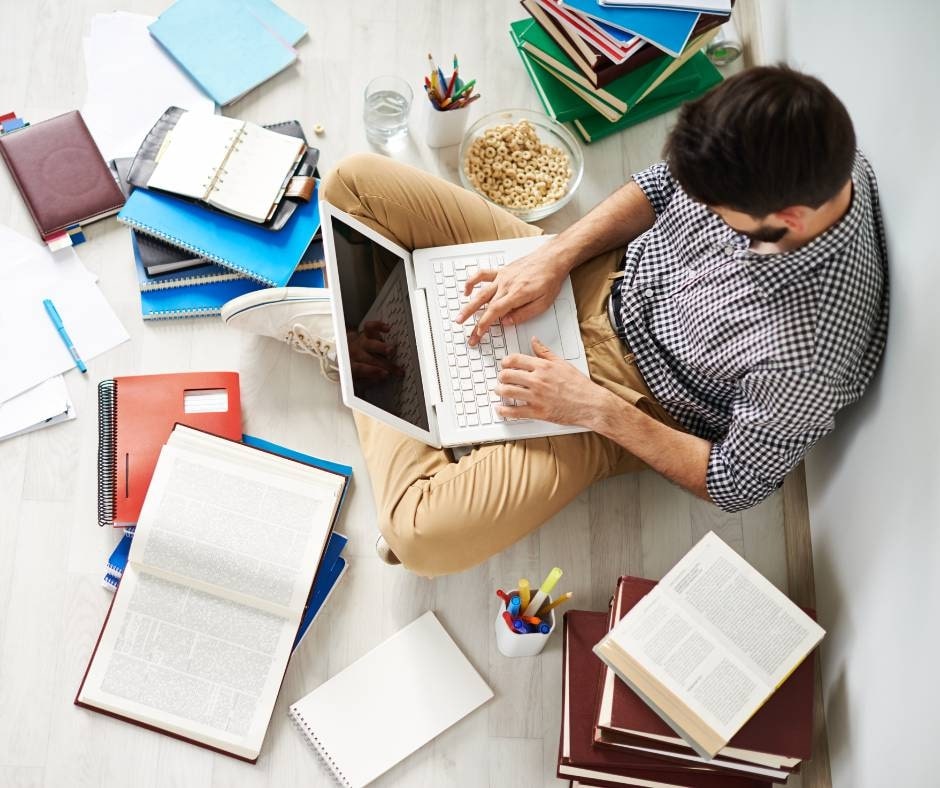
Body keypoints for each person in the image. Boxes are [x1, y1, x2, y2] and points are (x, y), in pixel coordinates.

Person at [223, 66, 888, 576]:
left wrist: (595, 408)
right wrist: (555, 253)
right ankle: (407, 364)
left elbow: (736, 481)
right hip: (596, 273)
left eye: (715, 211)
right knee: (353, 183)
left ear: (789, 221)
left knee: (419, 535)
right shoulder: (797, 143)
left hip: (628, 398)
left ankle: (361, 350)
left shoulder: (807, 354)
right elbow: (659, 188)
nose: (699, 207)